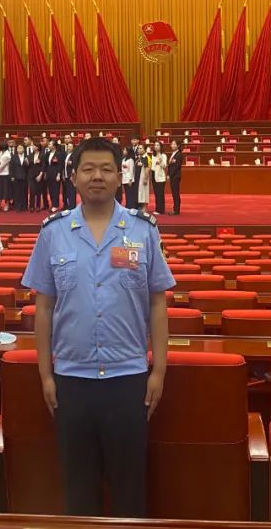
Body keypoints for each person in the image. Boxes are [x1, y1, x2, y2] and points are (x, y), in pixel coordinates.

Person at [22, 137, 173, 518]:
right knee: (78, 489)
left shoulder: (142, 230)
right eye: (88, 169)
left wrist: (158, 370)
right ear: (73, 177)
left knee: (129, 488)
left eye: (106, 169)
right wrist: (45, 375)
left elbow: (157, 303)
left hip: (129, 378)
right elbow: (44, 308)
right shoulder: (53, 232)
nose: (97, 177)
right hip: (71, 379)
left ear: (120, 176)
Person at [46, 137, 65, 212]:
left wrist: (58, 174)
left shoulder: (58, 154)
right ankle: (53, 204)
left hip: (56, 174)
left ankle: (56, 206)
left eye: (50, 144)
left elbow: (60, 165)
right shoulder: (48, 153)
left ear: (54, 146)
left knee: (55, 190)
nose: (49, 145)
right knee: (50, 191)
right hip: (49, 174)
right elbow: (46, 164)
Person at [10, 143, 30, 212]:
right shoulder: (13, 157)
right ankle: (17, 206)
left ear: (24, 149)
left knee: (24, 192)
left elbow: (29, 167)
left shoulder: (27, 156)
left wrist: (27, 163)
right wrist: (12, 176)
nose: (19, 149)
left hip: (25, 177)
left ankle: (24, 206)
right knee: (17, 192)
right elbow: (11, 167)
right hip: (16, 177)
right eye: (18, 148)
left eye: (21, 148)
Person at [167, 139, 184, 215]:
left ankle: (176, 210)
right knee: (174, 193)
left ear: (178, 146)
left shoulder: (179, 154)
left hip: (175, 176)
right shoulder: (173, 154)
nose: (172, 145)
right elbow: (170, 166)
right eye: (172, 144)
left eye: (174, 144)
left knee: (176, 193)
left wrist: (170, 175)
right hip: (172, 176)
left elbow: (176, 167)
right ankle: (175, 209)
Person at [150, 142, 168, 215]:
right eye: (155, 145)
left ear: (161, 147)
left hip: (160, 176)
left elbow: (164, 166)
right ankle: (157, 208)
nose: (156, 146)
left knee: (160, 193)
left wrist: (160, 161)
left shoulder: (163, 155)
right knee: (156, 193)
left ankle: (161, 210)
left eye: (158, 145)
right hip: (154, 174)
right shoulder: (153, 155)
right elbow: (152, 166)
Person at [0, 141, 12, 212]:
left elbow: (2, 166)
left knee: (6, 190)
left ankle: (7, 204)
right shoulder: (1, 152)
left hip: (5, 174)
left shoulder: (7, 155)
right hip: (0, 174)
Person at [62, 137, 77, 209]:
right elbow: (64, 165)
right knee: (68, 191)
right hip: (66, 175)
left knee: (72, 191)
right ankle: (69, 205)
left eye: (70, 146)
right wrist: (63, 174)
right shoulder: (66, 154)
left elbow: (76, 164)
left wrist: (72, 175)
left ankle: (72, 206)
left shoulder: (74, 155)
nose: (69, 148)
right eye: (68, 146)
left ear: (73, 148)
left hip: (71, 176)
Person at [135, 144, 150, 212]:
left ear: (145, 149)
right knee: (141, 192)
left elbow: (147, 168)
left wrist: (145, 178)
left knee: (144, 192)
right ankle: (141, 207)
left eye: (141, 148)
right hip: (139, 177)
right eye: (138, 148)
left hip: (143, 177)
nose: (139, 150)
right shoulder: (139, 157)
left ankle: (145, 208)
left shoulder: (146, 157)